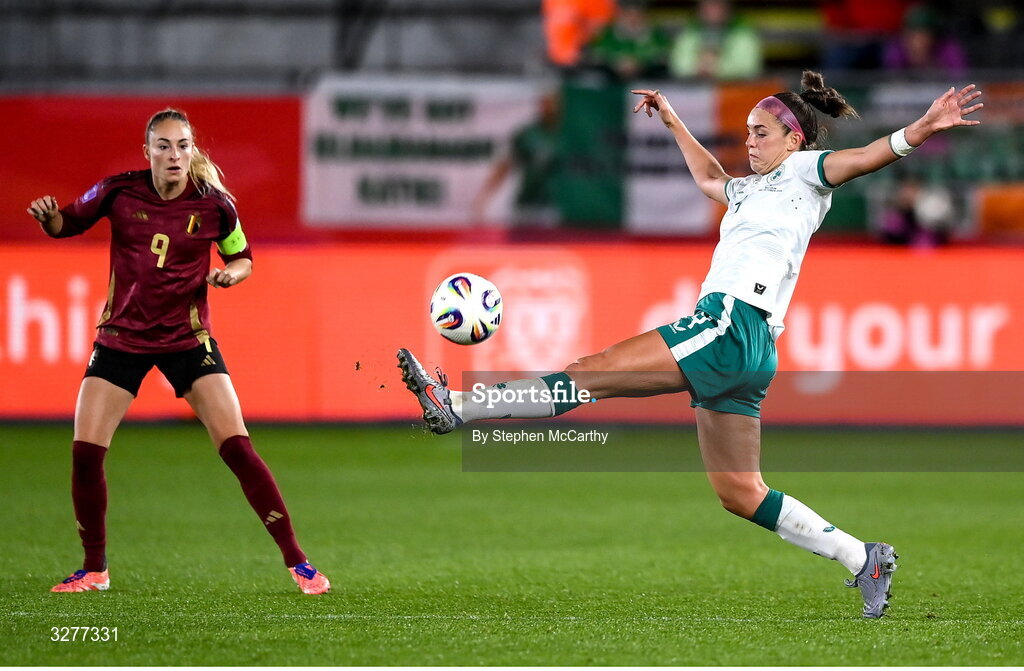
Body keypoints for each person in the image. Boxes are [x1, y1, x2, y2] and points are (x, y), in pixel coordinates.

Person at [397, 72, 983, 618]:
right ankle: (863, 557)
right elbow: (708, 178)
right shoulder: (751, 190)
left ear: (794, 138)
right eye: (746, 132)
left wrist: (918, 132)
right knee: (740, 493)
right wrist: (673, 117)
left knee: (591, 373)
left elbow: (865, 157)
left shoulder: (808, 172)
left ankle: (462, 407)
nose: (749, 141)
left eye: (760, 133)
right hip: (751, 349)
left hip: (728, 322)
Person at [26, 108, 330, 595]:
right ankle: (94, 569)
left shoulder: (216, 206)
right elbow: (67, 224)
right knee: (85, 454)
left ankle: (300, 562)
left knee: (238, 448)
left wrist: (233, 274)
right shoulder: (118, 192)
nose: (174, 155)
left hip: (188, 341)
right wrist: (49, 219)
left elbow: (243, 257)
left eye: (183, 145)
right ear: (146, 151)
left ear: (193, 150)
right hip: (121, 339)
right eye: (164, 145)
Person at [669, 0, 763, 80]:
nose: (713, 11)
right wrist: (698, 68)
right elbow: (677, 66)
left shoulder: (744, 34)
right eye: (708, 6)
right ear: (699, 9)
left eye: (718, 5)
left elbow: (748, 68)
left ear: (728, 9)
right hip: (692, 93)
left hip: (736, 93)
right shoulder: (688, 34)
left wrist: (716, 69)